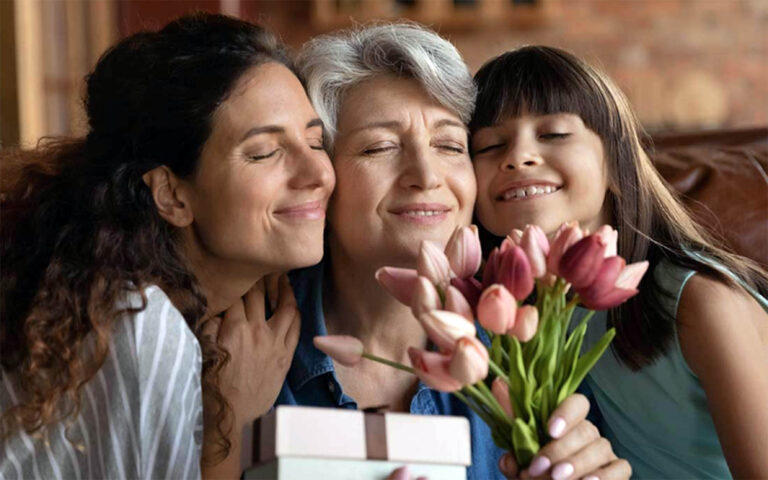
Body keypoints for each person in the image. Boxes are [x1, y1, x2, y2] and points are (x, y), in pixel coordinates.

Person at [278, 24, 630, 480]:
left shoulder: (530, 351)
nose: (426, 175)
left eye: (449, 145)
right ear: (321, 175)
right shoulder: (246, 347)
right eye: (380, 147)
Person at [0, 13, 334, 479]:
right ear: (172, 195)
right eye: (264, 153)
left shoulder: (122, 303)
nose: (318, 173)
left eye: (316, 143)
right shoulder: (137, 325)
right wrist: (231, 424)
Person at [469, 45, 768, 478]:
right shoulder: (524, 314)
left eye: (553, 134)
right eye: (491, 145)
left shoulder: (700, 302)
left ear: (616, 163)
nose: (518, 157)